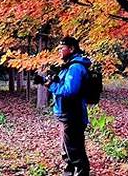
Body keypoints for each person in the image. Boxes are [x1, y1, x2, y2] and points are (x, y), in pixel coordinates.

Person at [37, 36, 91, 176]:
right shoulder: (68, 66)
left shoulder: (76, 67)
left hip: (73, 115)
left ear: (71, 49)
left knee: (74, 152)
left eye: (62, 48)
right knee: (67, 151)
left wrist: (51, 85)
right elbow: (62, 85)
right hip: (66, 115)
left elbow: (69, 91)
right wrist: (46, 80)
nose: (59, 51)